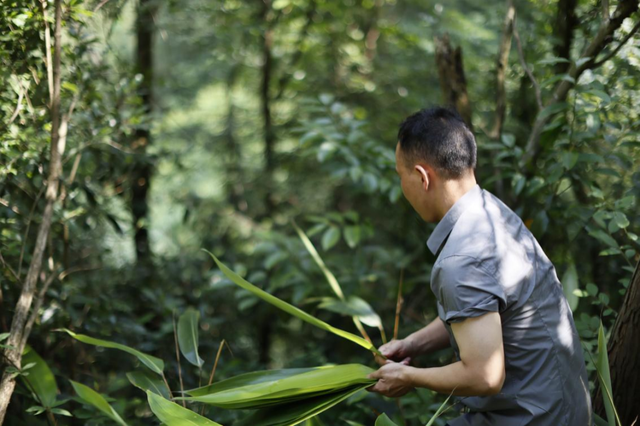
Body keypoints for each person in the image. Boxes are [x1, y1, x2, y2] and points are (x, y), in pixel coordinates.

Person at [367, 107, 592, 425]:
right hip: (563, 408)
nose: (402, 186)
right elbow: (482, 312)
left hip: (533, 418)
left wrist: (409, 376)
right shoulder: (491, 212)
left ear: (422, 176)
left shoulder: (461, 259)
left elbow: (485, 377)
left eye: (400, 175)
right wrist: (412, 344)